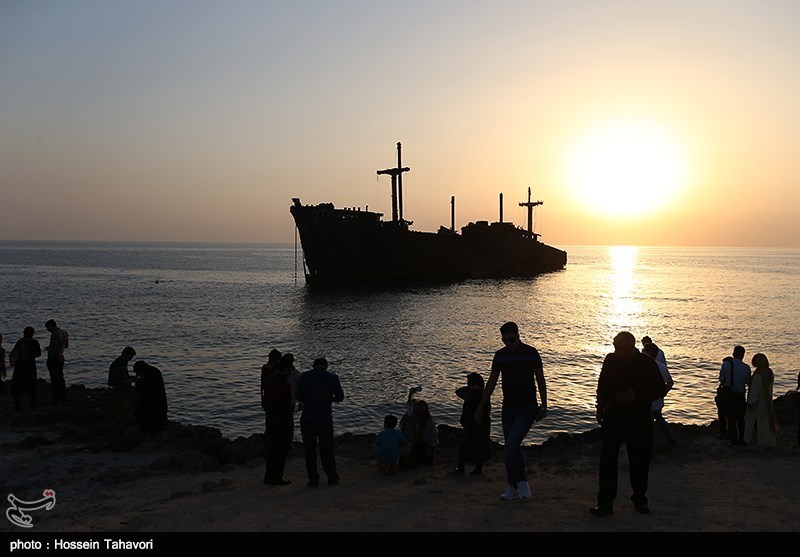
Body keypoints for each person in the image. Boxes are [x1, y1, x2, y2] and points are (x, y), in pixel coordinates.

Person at [591, 331, 667, 516]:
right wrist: (600, 408)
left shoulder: (647, 363)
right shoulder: (611, 360)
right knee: (607, 461)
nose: (618, 352)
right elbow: (602, 385)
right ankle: (605, 504)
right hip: (614, 417)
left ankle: (640, 500)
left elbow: (660, 389)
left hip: (639, 418)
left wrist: (636, 396)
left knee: (639, 462)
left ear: (632, 347)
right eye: (616, 348)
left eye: (621, 348)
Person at [475, 321, 548, 501]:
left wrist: (544, 405)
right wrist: (481, 405)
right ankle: (513, 486)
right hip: (508, 408)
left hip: (527, 406)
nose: (508, 343)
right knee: (511, 447)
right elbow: (492, 382)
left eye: (511, 339)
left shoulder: (531, 353)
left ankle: (522, 484)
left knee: (512, 445)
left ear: (518, 335)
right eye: (505, 340)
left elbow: (540, 379)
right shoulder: (500, 356)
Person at [295, 357, 345, 487]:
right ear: (326, 366)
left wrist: (309, 399)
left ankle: (313, 479)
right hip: (324, 418)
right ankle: (332, 477)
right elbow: (340, 397)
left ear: (314, 365)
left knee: (309, 450)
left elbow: (297, 396)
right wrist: (329, 399)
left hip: (308, 418)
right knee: (327, 449)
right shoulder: (333, 377)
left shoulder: (304, 377)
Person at [263, 353, 295, 485]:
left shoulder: (269, 379)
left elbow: (265, 399)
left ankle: (269, 476)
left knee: (271, 449)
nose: (291, 373)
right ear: (286, 368)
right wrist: (289, 419)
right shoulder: (284, 384)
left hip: (270, 418)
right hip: (281, 420)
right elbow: (286, 405)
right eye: (290, 370)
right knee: (281, 449)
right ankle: (277, 477)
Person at [453, 372, 491, 476]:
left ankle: (475, 469)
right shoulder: (470, 393)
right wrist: (470, 389)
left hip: (478, 424)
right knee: (466, 445)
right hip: (470, 423)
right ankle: (462, 469)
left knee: (477, 446)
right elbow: (458, 391)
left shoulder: (482, 395)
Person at [642, 342, 676, 449]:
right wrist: (662, 393)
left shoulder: (643, 367)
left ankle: (649, 449)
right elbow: (670, 382)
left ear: (648, 353)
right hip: (658, 400)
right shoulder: (662, 367)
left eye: (644, 351)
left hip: (647, 401)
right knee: (659, 418)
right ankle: (670, 438)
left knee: (648, 424)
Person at [743, 353, 780, 447]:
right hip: (767, 401)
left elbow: (755, 390)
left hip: (757, 403)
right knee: (766, 422)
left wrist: (750, 402)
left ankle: (748, 440)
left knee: (751, 421)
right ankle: (769, 441)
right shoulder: (769, 373)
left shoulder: (758, 375)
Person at [718, 346, 751, 446]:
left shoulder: (726, 364)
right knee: (741, 419)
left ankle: (733, 441)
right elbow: (748, 382)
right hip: (740, 395)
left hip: (729, 395)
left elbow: (721, 379)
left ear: (733, 354)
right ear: (743, 355)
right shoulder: (746, 367)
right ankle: (742, 439)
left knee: (730, 418)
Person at [400, 387, 439, 469]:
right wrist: (410, 395)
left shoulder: (421, 416)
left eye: (417, 405)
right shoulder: (411, 415)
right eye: (414, 405)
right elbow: (408, 406)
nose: (416, 407)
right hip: (411, 435)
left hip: (417, 436)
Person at [108, 346, 136, 448]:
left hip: (125, 395)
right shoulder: (116, 365)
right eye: (130, 357)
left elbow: (123, 378)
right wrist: (127, 381)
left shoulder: (123, 364)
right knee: (119, 420)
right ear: (125, 354)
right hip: (120, 396)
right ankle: (116, 443)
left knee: (123, 420)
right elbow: (111, 382)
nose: (130, 360)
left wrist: (131, 379)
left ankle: (121, 440)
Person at [11, 326, 42, 411]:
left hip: (20, 367)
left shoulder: (20, 342)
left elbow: (14, 354)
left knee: (18, 387)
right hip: (31, 367)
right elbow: (39, 354)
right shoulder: (35, 342)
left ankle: (17, 406)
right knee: (32, 386)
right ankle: (33, 406)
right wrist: (31, 355)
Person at [133, 360, 168, 434]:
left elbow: (150, 387)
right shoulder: (151, 371)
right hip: (150, 397)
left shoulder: (153, 373)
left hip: (154, 398)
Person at [44, 319, 69, 405]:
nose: (48, 330)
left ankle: (56, 398)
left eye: (48, 328)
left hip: (54, 358)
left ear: (51, 326)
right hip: (61, 356)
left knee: (54, 378)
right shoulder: (63, 332)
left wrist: (49, 350)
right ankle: (63, 396)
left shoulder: (55, 334)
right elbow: (66, 345)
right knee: (61, 377)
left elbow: (53, 349)